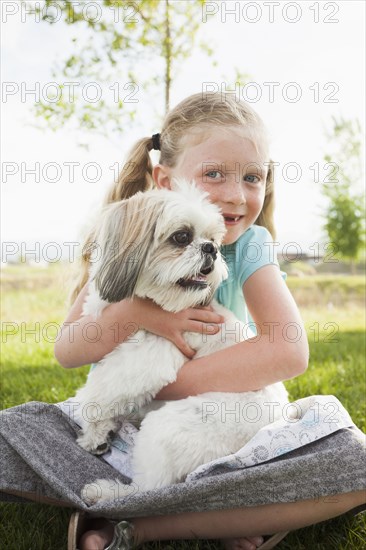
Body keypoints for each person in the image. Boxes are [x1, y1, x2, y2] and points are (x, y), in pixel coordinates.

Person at [1, 93, 364, 550]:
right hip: (117, 426)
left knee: (356, 461)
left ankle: (136, 524)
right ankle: (221, 511)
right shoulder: (128, 233)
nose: (236, 194)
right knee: (12, 429)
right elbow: (68, 351)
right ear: (164, 180)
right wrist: (135, 313)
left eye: (253, 177)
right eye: (215, 173)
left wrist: (158, 383)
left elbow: (289, 351)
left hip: (209, 424)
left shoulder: (250, 245)